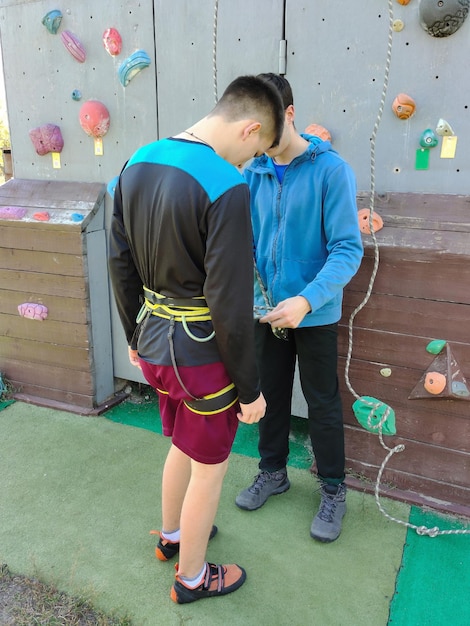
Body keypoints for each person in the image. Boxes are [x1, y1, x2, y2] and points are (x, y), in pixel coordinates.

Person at [108, 75, 284, 604]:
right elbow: (229, 303)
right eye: (256, 151)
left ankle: (172, 536)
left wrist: (133, 334)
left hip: (155, 345)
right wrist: (250, 390)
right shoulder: (226, 184)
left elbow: (118, 261)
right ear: (251, 128)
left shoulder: (137, 160)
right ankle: (191, 578)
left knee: (182, 447)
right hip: (202, 355)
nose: (250, 162)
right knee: (210, 468)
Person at [235, 73, 363, 543]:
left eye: (264, 129)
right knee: (268, 393)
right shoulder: (253, 172)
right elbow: (245, 244)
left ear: (288, 114)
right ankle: (273, 472)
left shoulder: (332, 170)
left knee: (323, 401)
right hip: (266, 312)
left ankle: (333, 489)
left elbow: (348, 249)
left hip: (316, 312)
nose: (258, 141)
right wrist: (254, 296)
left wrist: (307, 300)